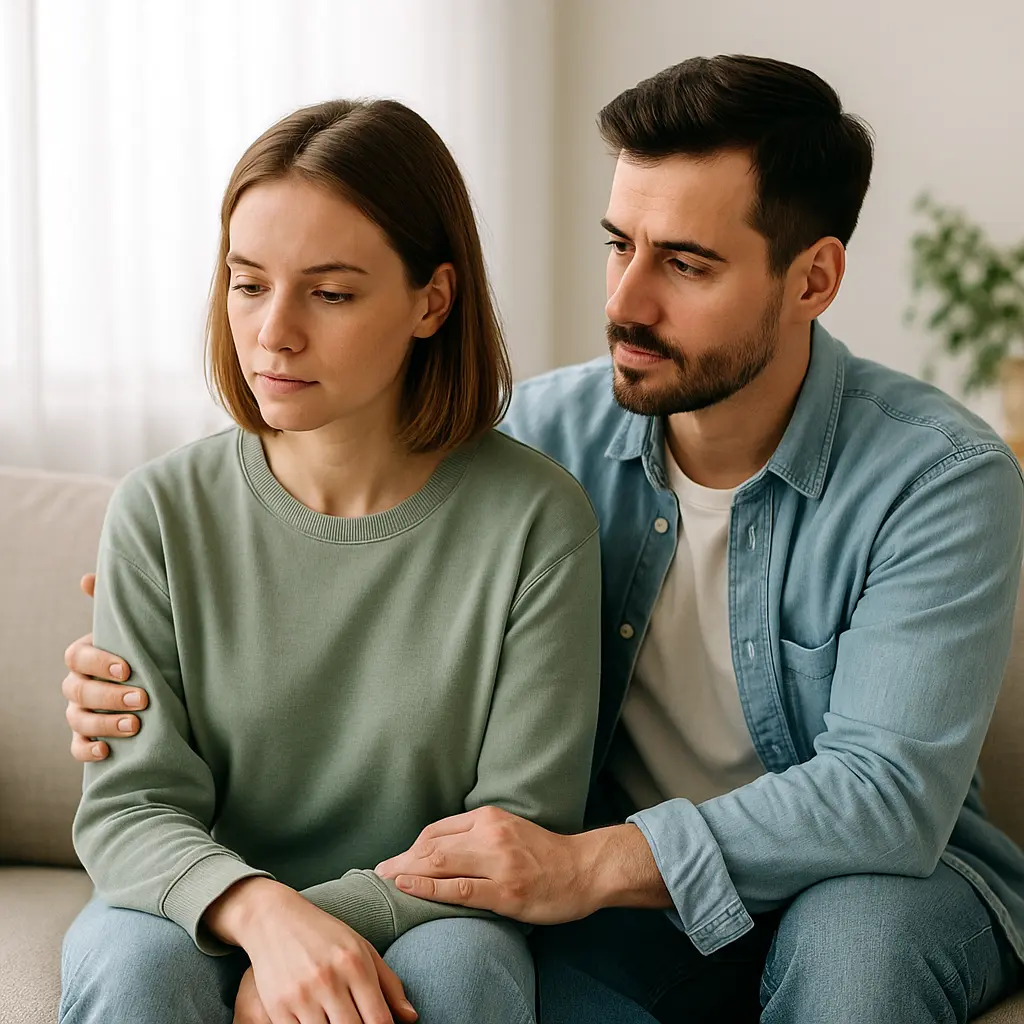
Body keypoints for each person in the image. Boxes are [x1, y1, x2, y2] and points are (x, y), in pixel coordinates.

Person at [62, 56, 1024, 1023]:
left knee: (857, 952)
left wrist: (583, 865)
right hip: (613, 905)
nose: (626, 302)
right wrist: (144, 648)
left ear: (813, 278)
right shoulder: (539, 437)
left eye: (685, 264)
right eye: (619, 246)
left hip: (857, 882)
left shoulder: (940, 478)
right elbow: (348, 522)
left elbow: (885, 795)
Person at [56, 97, 602, 1024]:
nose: (274, 331)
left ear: (432, 300)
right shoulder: (158, 510)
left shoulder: (536, 522)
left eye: (331, 293)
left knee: (462, 975)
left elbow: (516, 828)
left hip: (428, 912)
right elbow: (130, 807)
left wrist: (322, 932)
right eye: (248, 284)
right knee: (134, 970)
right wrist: (264, 918)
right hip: (198, 897)